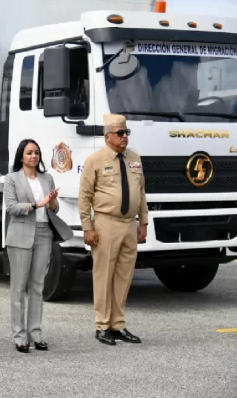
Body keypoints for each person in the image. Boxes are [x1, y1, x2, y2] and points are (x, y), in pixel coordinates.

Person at [78, 114, 148, 346]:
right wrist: (87, 228)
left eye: (126, 133)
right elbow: (85, 197)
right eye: (119, 133)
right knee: (103, 276)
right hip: (106, 223)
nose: (124, 137)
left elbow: (142, 194)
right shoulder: (95, 160)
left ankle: (118, 324)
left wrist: (144, 223)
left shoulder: (135, 159)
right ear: (108, 136)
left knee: (124, 277)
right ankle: (102, 325)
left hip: (129, 224)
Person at [3, 139, 74, 353]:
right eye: (29, 153)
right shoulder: (12, 178)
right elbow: (12, 207)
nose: (33, 156)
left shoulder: (47, 178)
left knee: (37, 286)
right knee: (19, 287)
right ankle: (19, 335)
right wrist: (37, 204)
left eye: (36, 152)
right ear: (21, 156)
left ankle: (36, 332)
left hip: (43, 233)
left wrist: (51, 202)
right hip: (21, 233)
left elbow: (54, 208)